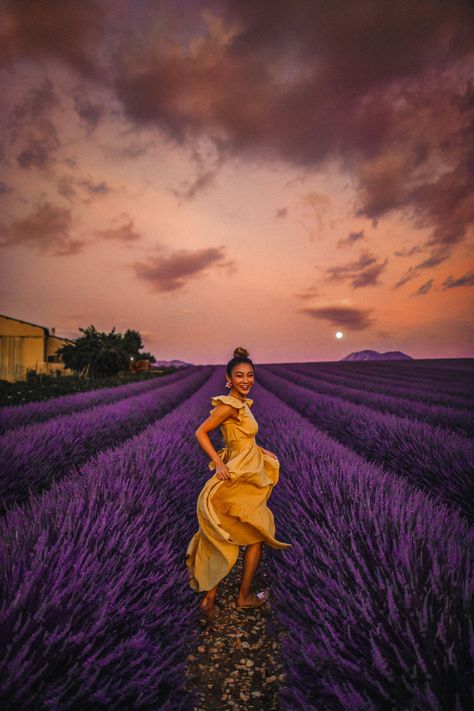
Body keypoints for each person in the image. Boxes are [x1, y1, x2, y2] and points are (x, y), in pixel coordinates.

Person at [185, 346, 292, 619]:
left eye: (250, 375)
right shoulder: (229, 405)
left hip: (247, 471)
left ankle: (211, 598)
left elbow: (241, 437)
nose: (246, 380)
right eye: (239, 376)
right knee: (254, 534)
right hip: (238, 476)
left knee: (229, 532)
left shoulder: (241, 404)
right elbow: (201, 432)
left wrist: (260, 449)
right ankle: (242, 598)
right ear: (228, 379)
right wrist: (219, 463)